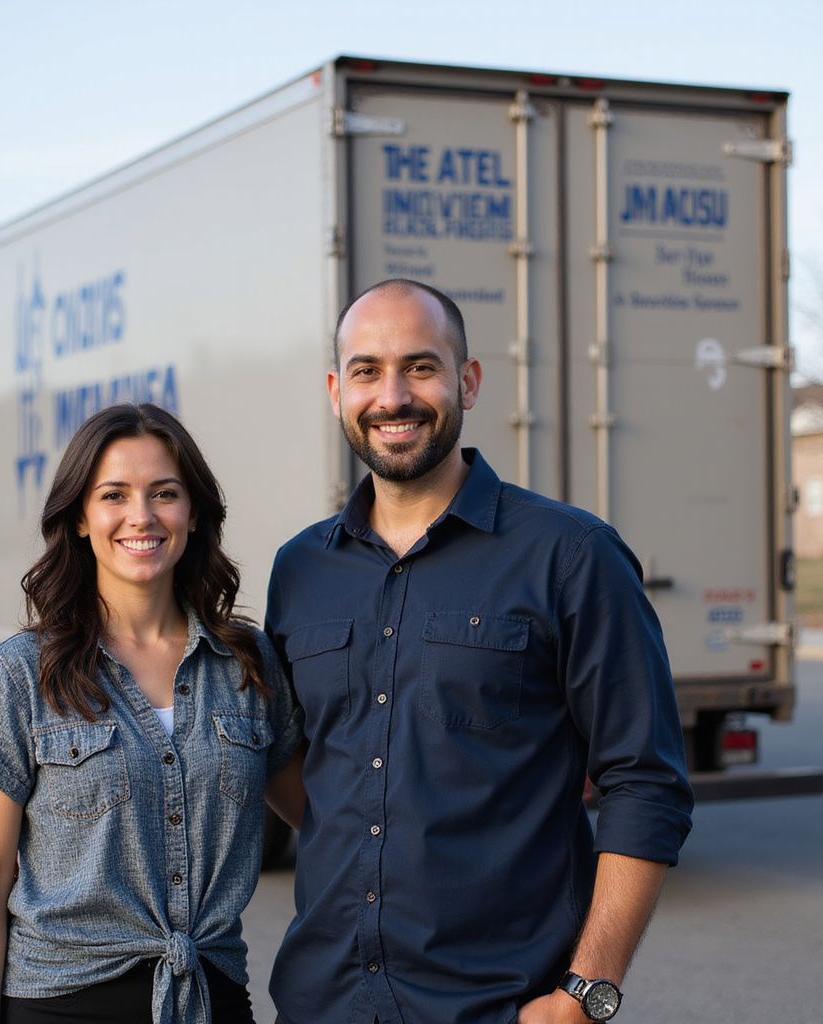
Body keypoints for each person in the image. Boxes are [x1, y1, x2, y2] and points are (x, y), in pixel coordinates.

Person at [265, 280, 693, 1024]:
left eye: (421, 367)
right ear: (337, 391)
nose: (392, 396)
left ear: (468, 381)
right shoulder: (300, 569)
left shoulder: (572, 555)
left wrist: (586, 994)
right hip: (323, 1003)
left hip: (499, 1005)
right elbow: (298, 764)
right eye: (366, 371)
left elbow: (645, 782)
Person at [0, 403, 304, 1024]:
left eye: (164, 493)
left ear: (193, 514)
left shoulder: (247, 665)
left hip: (210, 1000)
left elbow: (334, 824)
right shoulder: (23, 672)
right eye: (114, 494)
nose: (141, 516)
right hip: (58, 1005)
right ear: (81, 518)